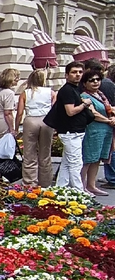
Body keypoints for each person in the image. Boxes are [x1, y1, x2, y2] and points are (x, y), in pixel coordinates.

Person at [51, 62, 92, 191]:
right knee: (76, 163)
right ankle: (79, 191)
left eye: (80, 72)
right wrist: (85, 105)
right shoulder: (67, 90)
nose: (78, 75)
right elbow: (70, 111)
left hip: (75, 131)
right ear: (67, 75)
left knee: (67, 163)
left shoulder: (76, 88)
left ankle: (60, 188)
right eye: (74, 72)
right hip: (70, 132)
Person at [16, 68, 55, 187]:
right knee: (45, 152)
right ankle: (45, 182)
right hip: (46, 120)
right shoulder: (51, 92)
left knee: (29, 153)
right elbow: (54, 109)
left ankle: (29, 182)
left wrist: (16, 127)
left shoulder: (25, 93)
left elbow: (20, 113)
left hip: (31, 120)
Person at [79, 68, 115, 196]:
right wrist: (108, 121)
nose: (95, 82)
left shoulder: (100, 94)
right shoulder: (84, 96)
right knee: (88, 158)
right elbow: (93, 113)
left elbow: (109, 109)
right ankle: (82, 186)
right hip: (93, 130)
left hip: (105, 131)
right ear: (85, 83)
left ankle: (91, 185)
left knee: (97, 159)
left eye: (98, 79)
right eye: (91, 80)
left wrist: (113, 117)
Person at [0, 68, 20, 180]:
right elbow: (8, 113)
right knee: (5, 148)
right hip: (2, 120)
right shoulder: (9, 93)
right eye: (16, 77)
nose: (18, 80)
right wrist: (12, 128)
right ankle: (6, 172)